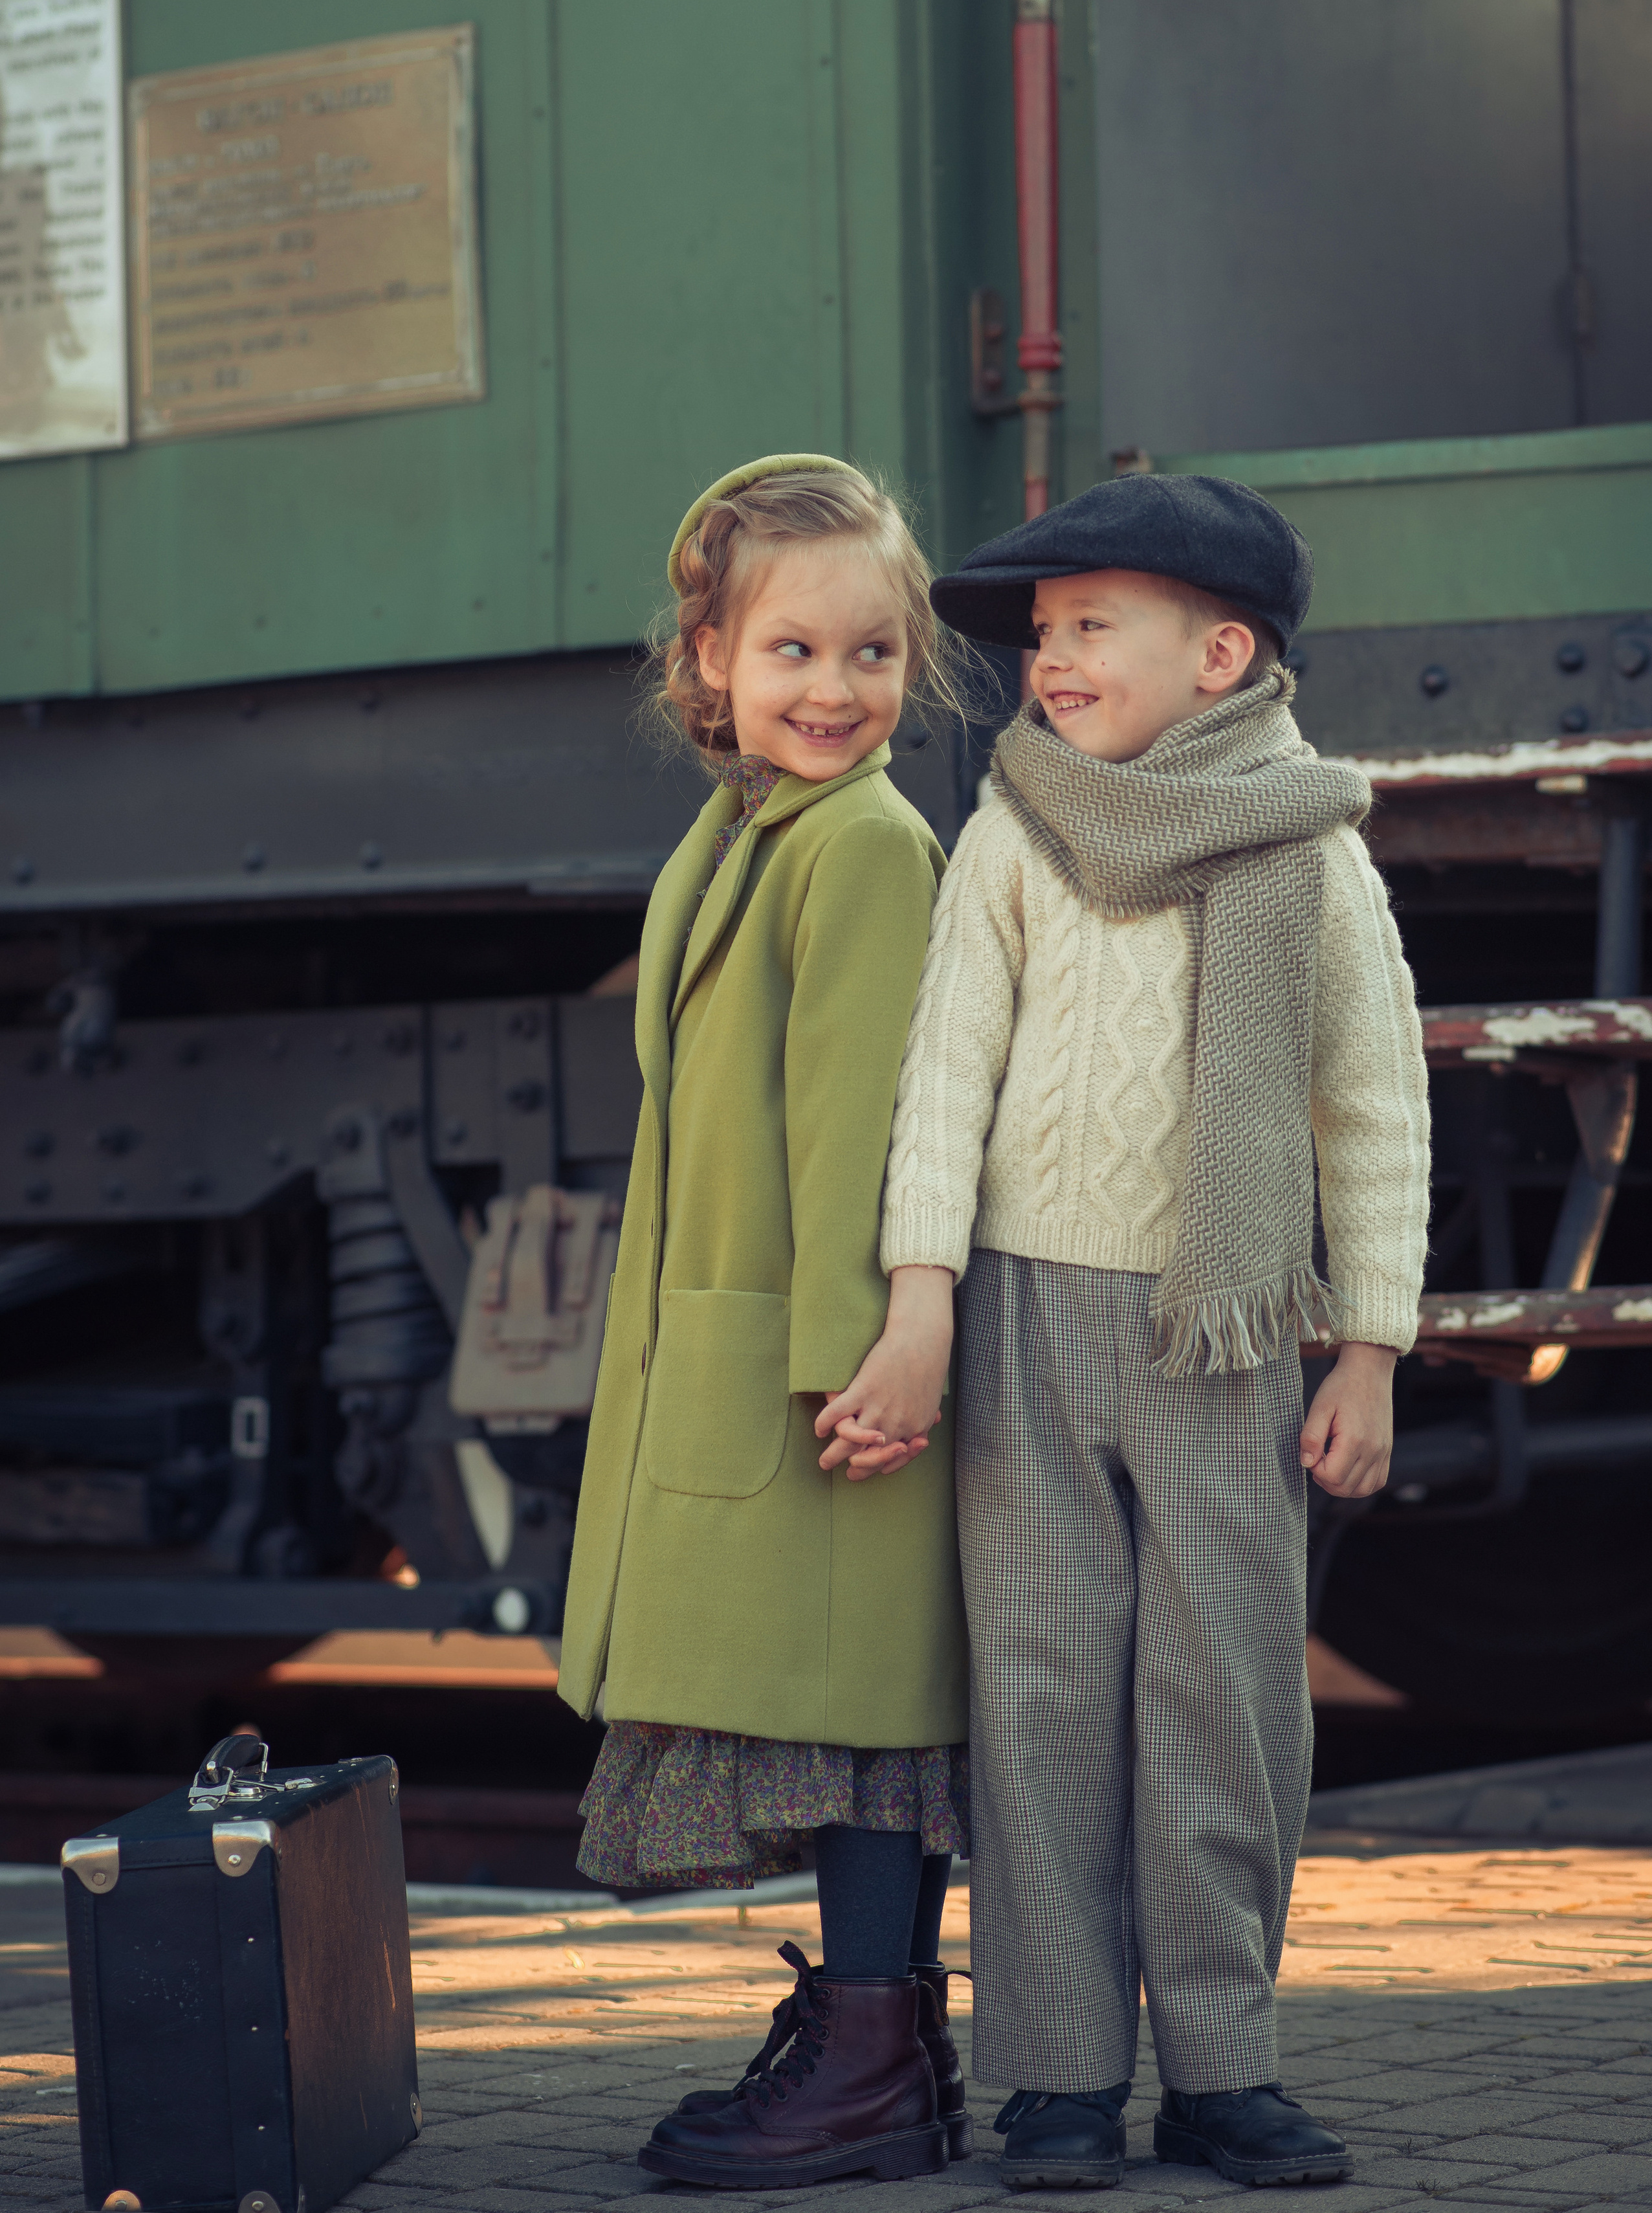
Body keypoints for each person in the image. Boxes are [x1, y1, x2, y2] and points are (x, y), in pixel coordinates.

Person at [859, 473, 1431, 2190]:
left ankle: (1223, 2067)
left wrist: (1372, 1349)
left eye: (1090, 625)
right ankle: (1056, 2075)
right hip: (1027, 1313)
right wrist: (921, 1293)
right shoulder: (1015, 830)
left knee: (1225, 1697)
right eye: (1042, 632)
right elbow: (943, 1078)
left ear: (1222, 655)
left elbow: (1371, 1105)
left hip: (1225, 1326)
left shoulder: (1311, 848)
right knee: (1040, 1693)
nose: (1050, 659)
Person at [558, 454, 974, 2192]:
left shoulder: (863, 843)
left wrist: (867, 1360)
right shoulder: (750, 826)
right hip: (762, 1341)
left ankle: (874, 2058)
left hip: (836, 1367)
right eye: (795, 650)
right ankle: (882, 2048)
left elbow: (862, 1125)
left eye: (875, 653)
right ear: (710, 659)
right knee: (841, 1702)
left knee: (864, 1707)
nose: (837, 689)